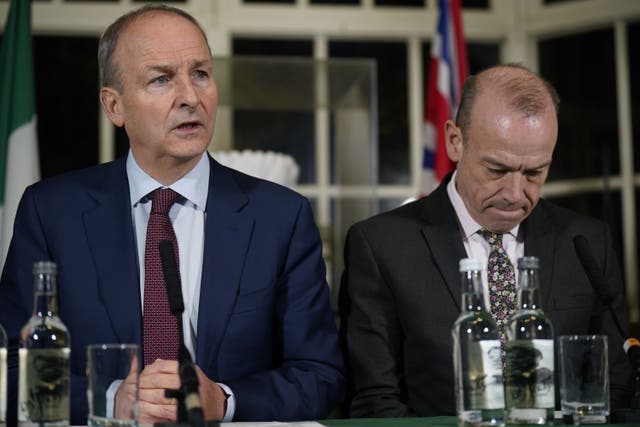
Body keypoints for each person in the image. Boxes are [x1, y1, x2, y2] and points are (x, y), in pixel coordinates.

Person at [0, 5, 344, 425]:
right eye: (162, 79)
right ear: (114, 106)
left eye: (200, 73)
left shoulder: (280, 217)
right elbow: (14, 368)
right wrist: (112, 398)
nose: (190, 97)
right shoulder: (51, 211)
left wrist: (224, 400)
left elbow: (321, 375)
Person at [339, 63, 632, 417]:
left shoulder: (587, 243)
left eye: (534, 173)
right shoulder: (380, 246)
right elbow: (375, 402)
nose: (514, 193)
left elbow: (614, 389)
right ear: (455, 141)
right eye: (497, 170)